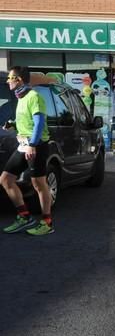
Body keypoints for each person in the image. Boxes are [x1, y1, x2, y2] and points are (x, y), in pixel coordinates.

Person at [1, 66, 54, 236]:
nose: (8, 81)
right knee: (6, 179)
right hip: (24, 144)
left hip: (36, 145)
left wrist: (32, 144)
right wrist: (13, 124)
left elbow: (39, 123)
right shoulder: (21, 98)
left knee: (38, 184)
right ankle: (24, 217)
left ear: (20, 80)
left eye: (11, 78)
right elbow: (28, 121)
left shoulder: (34, 96)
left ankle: (47, 223)